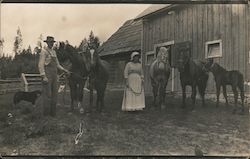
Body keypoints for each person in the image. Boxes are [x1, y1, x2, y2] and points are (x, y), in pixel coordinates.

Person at [38, 36, 70, 117]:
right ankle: (46, 115)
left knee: (54, 94)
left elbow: (57, 65)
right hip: (47, 74)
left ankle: (53, 114)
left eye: (52, 42)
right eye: (50, 42)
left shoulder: (54, 52)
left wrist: (64, 70)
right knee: (47, 94)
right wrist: (43, 76)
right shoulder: (44, 51)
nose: (51, 44)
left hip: (54, 75)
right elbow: (40, 65)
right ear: (47, 43)